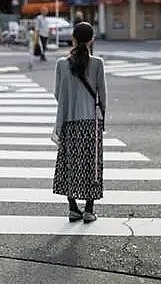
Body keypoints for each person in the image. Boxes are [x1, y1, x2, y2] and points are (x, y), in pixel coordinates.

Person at [52, 22, 107, 223]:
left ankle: (73, 208)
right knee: (91, 165)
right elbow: (103, 96)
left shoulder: (61, 64)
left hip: (70, 121)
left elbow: (58, 94)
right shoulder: (98, 64)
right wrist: (103, 119)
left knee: (70, 164)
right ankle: (89, 210)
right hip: (91, 123)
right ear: (91, 39)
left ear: (73, 38)